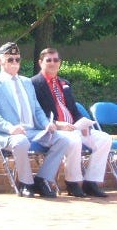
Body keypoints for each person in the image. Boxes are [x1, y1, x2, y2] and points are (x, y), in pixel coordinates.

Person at [0, 42, 69, 198]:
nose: (15, 63)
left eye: (17, 59)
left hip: (33, 131)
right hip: (8, 133)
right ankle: (25, 183)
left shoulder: (27, 82)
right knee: (20, 141)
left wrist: (46, 124)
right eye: (10, 59)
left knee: (62, 140)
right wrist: (10, 128)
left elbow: (37, 109)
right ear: (0, 61)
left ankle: (42, 179)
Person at [31, 47, 111, 197]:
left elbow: (73, 109)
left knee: (104, 139)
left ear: (60, 62)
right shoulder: (34, 84)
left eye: (56, 60)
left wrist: (83, 123)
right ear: (41, 62)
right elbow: (36, 112)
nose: (53, 63)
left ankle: (90, 182)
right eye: (49, 60)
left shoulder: (64, 83)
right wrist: (58, 124)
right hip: (55, 129)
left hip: (74, 127)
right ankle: (72, 182)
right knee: (74, 140)